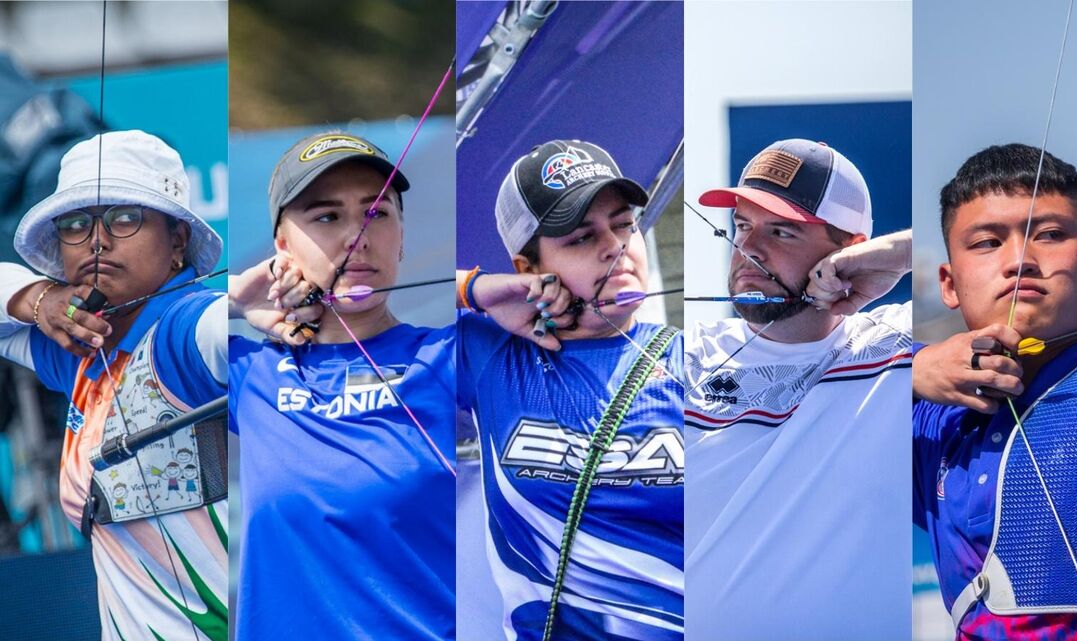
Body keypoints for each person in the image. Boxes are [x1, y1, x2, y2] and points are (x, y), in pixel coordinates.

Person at [227, 132, 456, 641]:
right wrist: (235, 297)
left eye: (377, 214)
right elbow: (117, 330)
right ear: (282, 247)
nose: (358, 236)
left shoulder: (449, 356)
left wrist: (473, 285)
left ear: (402, 235)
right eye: (327, 217)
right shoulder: (249, 370)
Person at [0, 130, 227, 641]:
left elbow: (223, 327)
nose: (97, 239)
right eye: (77, 224)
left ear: (177, 241)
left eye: (125, 218)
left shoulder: (183, 331)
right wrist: (38, 299)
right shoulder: (80, 349)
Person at [684, 139, 913, 640]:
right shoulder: (687, 356)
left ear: (849, 251)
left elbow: (1008, 258)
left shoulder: (894, 346)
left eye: (781, 231)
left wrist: (894, 255)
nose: (749, 249)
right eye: (742, 226)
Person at [457, 140, 684, 641]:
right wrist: (475, 289)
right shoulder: (490, 354)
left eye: (624, 225)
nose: (614, 246)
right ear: (528, 269)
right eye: (582, 237)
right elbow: (351, 300)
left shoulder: (694, 359)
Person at [912, 144, 1077, 640]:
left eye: (1051, 234)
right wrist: (915, 368)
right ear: (948, 284)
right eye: (987, 242)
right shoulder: (935, 421)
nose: (1020, 261)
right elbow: (796, 387)